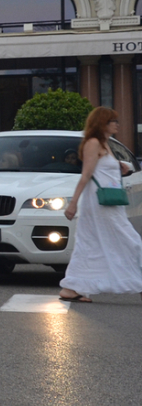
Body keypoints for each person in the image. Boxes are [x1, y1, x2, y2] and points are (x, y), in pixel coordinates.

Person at [59, 107, 142, 302]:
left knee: (91, 244)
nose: (117, 124)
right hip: (98, 202)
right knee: (128, 240)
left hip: (110, 202)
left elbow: (103, 173)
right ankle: (139, 284)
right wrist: (73, 203)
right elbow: (86, 175)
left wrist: (119, 169)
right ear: (102, 123)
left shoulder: (106, 144)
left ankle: (72, 287)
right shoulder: (93, 143)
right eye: (113, 121)